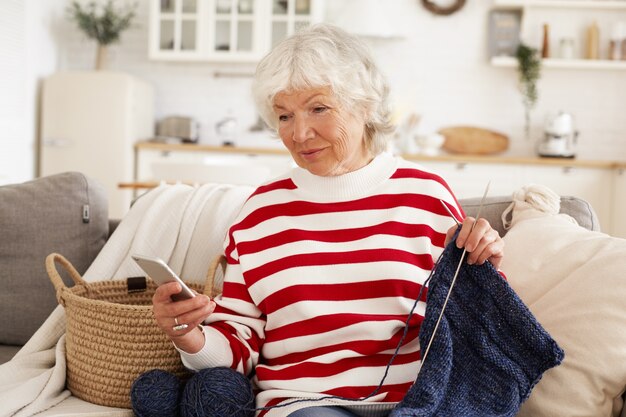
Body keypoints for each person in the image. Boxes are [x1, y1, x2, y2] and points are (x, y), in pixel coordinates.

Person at [147, 23, 504, 417]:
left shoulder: (427, 196)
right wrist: (188, 335)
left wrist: (486, 264)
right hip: (305, 404)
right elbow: (238, 344)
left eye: (318, 108)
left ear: (365, 107)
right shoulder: (259, 214)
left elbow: (472, 320)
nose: (299, 133)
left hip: (419, 402)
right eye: (284, 116)